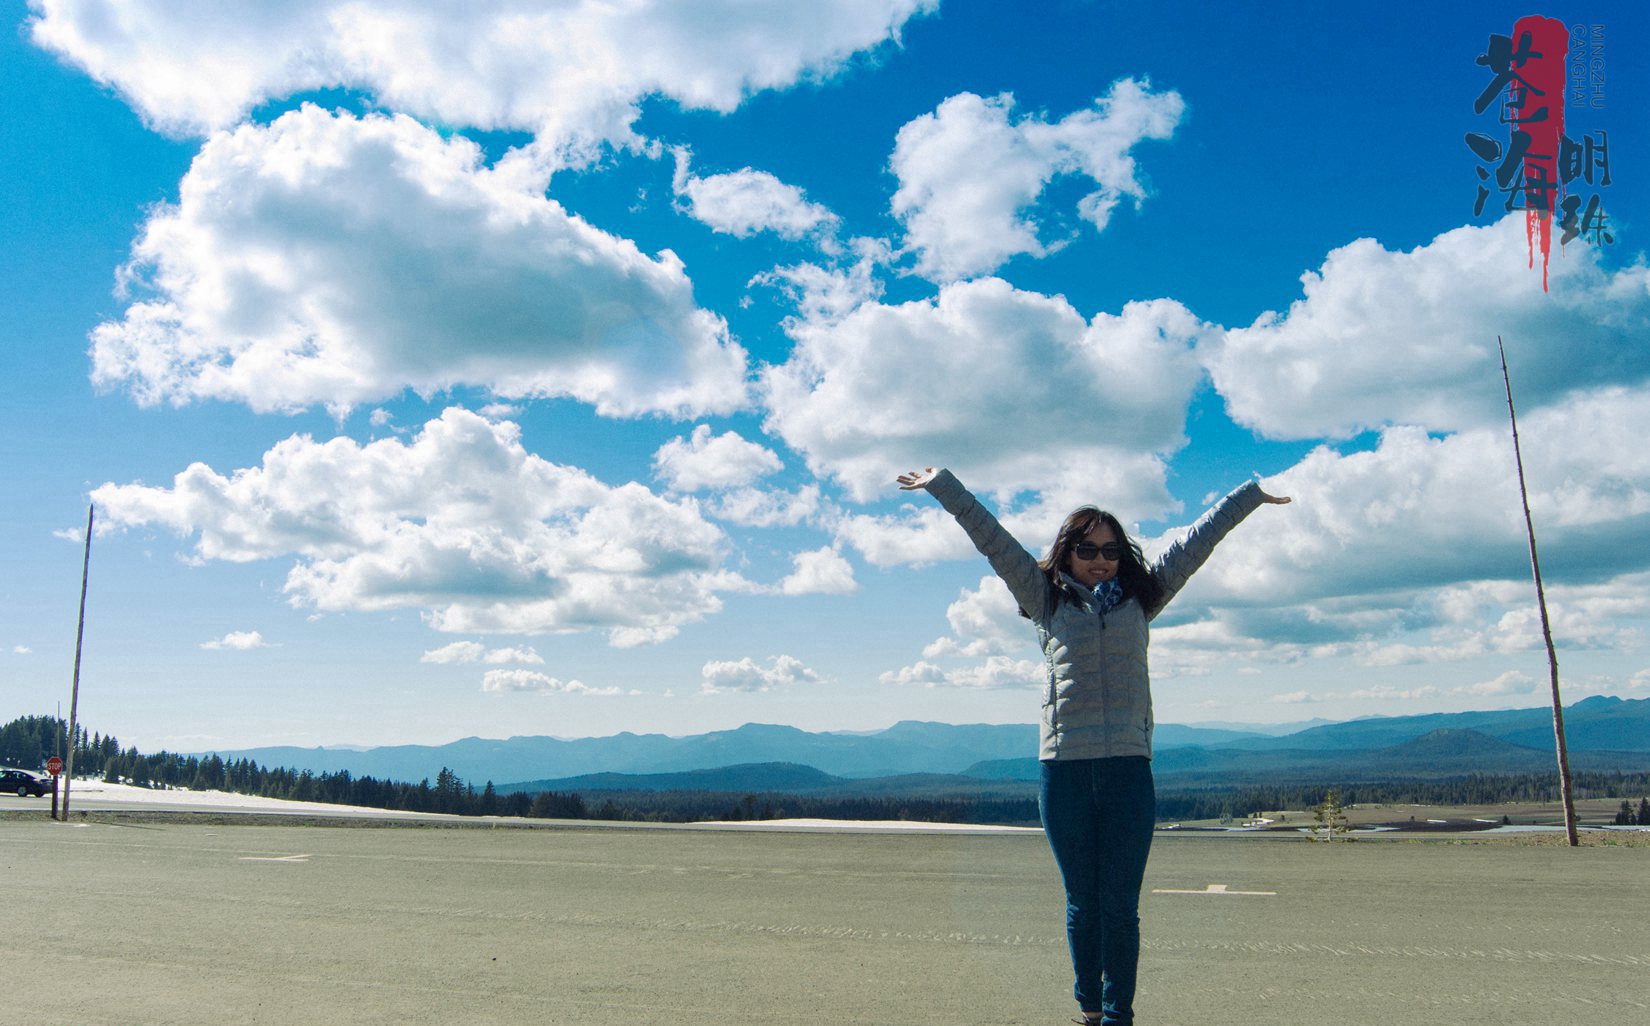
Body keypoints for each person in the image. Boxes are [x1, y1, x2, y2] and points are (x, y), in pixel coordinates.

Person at [895, 466, 1290, 1026]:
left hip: (1130, 770)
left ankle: (1117, 1013)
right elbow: (994, 541)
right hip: (1065, 774)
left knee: (1121, 908)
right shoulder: (1044, 602)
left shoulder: (1140, 602)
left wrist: (1246, 495)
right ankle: (1088, 1006)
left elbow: (1196, 542)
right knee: (1084, 903)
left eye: (1110, 549)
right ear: (1067, 553)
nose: (1100, 558)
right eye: (1087, 548)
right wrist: (944, 484)